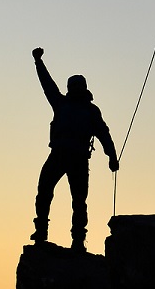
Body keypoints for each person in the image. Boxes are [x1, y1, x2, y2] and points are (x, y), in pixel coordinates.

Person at [30, 47, 118, 252]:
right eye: (74, 86)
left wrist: (112, 156)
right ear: (71, 88)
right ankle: (42, 231)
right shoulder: (62, 104)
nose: (77, 89)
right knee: (45, 191)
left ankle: (77, 239)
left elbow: (104, 134)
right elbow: (47, 85)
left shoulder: (89, 110)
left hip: (76, 158)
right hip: (59, 155)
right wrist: (38, 62)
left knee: (77, 200)